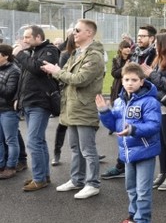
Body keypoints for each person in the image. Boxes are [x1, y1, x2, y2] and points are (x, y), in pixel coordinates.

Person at [96, 62, 162, 223]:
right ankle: (133, 217)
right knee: (131, 188)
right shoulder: (119, 102)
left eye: (134, 80)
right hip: (127, 153)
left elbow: (154, 125)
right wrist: (104, 112)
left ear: (142, 81)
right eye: (126, 79)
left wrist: (133, 129)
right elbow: (113, 125)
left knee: (142, 191)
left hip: (145, 152)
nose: (130, 83)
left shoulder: (149, 101)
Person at [42, 19, 105, 200]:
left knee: (87, 149)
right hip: (72, 106)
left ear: (89, 33)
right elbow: (67, 76)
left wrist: (56, 71)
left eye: (77, 30)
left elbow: (80, 79)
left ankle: (92, 183)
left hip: (84, 108)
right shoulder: (77, 53)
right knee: (76, 148)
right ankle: (77, 179)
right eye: (73, 30)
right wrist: (56, 71)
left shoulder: (94, 56)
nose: (74, 33)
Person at [102, 25, 157, 179]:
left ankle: (165, 175)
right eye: (138, 36)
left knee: (147, 137)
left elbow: (153, 78)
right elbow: (119, 73)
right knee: (124, 133)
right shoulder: (135, 54)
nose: (139, 38)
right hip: (128, 98)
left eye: (143, 36)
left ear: (152, 38)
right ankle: (122, 165)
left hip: (146, 100)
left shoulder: (154, 55)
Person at [13, 24, 59, 191]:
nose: (24, 40)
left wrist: (19, 53)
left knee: (33, 141)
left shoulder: (50, 50)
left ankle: (39, 179)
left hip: (40, 103)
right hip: (29, 101)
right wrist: (18, 97)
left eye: (27, 37)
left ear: (38, 37)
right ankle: (43, 176)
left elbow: (37, 69)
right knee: (39, 141)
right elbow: (24, 77)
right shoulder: (32, 52)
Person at [140, 31, 166, 191]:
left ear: (164, 45)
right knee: (161, 143)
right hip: (158, 106)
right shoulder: (158, 58)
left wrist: (151, 73)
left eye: (157, 44)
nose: (154, 47)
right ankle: (163, 172)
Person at [51, 32, 78, 167]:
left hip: (79, 96)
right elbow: (60, 75)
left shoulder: (84, 55)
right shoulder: (65, 55)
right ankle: (57, 153)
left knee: (84, 127)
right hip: (67, 94)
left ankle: (91, 152)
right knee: (63, 125)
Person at [0, 44, 21, 179]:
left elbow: (9, 93)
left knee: (10, 140)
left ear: (5, 56)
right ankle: (1, 165)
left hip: (8, 111)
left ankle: (11, 166)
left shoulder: (14, 70)